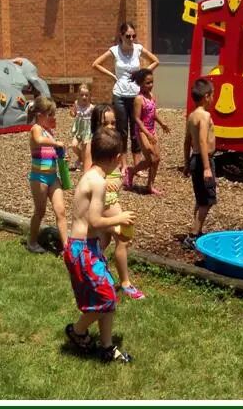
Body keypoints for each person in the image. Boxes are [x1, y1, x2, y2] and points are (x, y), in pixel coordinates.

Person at [63, 126, 136, 363]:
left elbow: (88, 220)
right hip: (83, 250)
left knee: (108, 294)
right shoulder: (99, 182)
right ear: (117, 158)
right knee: (107, 298)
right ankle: (77, 331)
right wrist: (119, 218)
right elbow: (94, 220)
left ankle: (106, 347)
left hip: (87, 247)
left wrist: (114, 230)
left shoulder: (91, 176)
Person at [85, 103, 144, 300]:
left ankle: (91, 267)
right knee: (123, 237)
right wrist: (103, 182)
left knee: (105, 239)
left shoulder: (114, 143)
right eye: (105, 124)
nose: (110, 127)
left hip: (112, 198)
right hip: (103, 201)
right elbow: (87, 174)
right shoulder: (93, 146)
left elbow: (118, 171)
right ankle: (125, 283)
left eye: (113, 123)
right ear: (96, 125)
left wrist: (120, 176)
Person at [91, 22, 160, 170]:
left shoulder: (138, 49)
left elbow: (156, 61)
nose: (131, 39)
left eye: (134, 36)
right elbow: (96, 64)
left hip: (135, 95)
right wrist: (112, 75)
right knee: (122, 130)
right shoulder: (115, 50)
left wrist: (142, 74)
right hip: (120, 95)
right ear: (121, 36)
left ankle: (137, 163)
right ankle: (123, 164)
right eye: (128, 36)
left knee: (136, 129)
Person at [25, 97, 68, 253]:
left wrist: (61, 156)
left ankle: (67, 248)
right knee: (40, 211)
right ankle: (32, 242)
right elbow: (38, 140)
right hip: (39, 177)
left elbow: (50, 151)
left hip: (53, 177)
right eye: (50, 114)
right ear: (40, 115)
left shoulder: (49, 132)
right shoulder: (36, 128)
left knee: (61, 211)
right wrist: (56, 143)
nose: (53, 118)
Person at [182, 78, 217, 250]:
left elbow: (187, 142)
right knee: (207, 201)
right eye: (212, 95)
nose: (213, 99)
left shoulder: (191, 116)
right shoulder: (205, 116)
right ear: (206, 96)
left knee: (200, 198)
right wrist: (207, 168)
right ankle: (193, 235)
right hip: (204, 160)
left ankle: (197, 229)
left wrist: (186, 163)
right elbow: (202, 141)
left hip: (195, 159)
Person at [126, 69, 170, 195]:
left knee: (157, 159)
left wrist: (162, 123)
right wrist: (147, 134)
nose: (151, 85)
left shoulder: (152, 96)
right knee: (150, 159)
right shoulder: (138, 99)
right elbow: (137, 119)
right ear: (140, 84)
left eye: (152, 82)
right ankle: (131, 171)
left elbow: (153, 113)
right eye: (147, 83)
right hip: (142, 131)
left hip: (152, 130)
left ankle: (150, 185)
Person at [68, 84, 94, 171]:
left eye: (86, 95)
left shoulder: (91, 107)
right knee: (73, 145)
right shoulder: (76, 103)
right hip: (79, 129)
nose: (84, 97)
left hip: (87, 130)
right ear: (78, 95)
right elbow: (74, 114)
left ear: (89, 96)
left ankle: (83, 163)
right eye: (82, 95)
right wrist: (72, 113)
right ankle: (81, 158)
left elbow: (95, 118)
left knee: (84, 147)